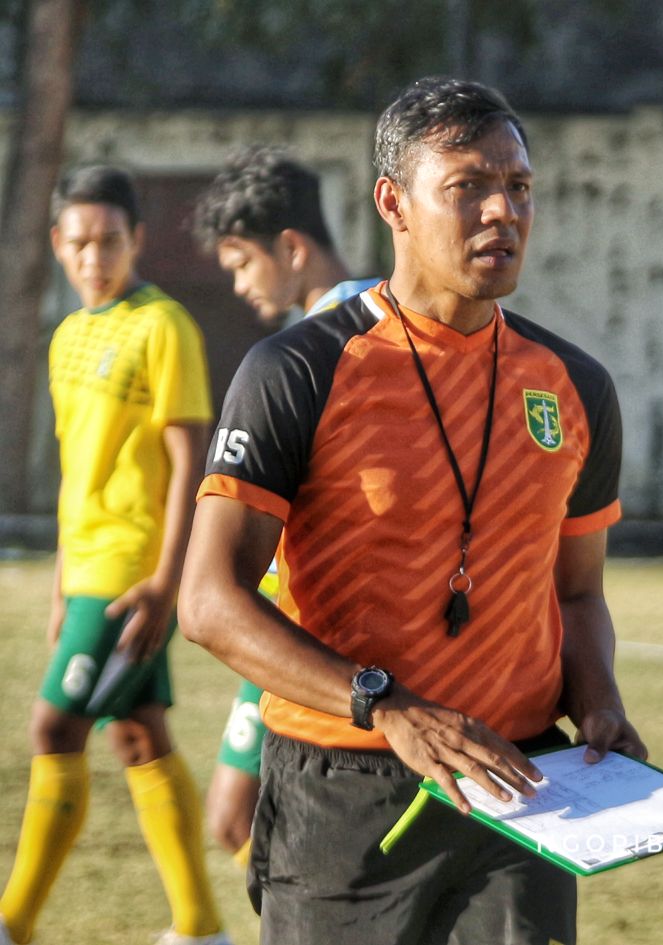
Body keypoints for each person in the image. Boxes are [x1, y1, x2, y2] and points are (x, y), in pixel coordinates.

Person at [178, 77, 646, 945]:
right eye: (468, 187)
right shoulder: (299, 371)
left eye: (519, 187)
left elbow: (577, 594)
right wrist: (386, 704)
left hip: (521, 784)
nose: (502, 211)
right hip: (344, 793)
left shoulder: (576, 386)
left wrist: (602, 698)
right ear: (394, 202)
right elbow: (209, 603)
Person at [0, 167, 230, 945]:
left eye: (108, 240)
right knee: (139, 735)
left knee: (53, 728)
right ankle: (199, 925)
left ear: (134, 240)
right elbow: (78, 469)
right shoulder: (68, 333)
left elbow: (187, 453)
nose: (93, 256)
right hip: (88, 568)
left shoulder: (163, 326)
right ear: (60, 247)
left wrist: (168, 580)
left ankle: (13, 921)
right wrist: (64, 580)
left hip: (133, 573)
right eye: (78, 241)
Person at [190, 146, 381, 864]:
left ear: (292, 248)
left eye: (243, 262)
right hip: (288, 624)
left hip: (321, 631)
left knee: (249, 822)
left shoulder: (338, 343)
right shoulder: (340, 329)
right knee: (239, 820)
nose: (239, 284)